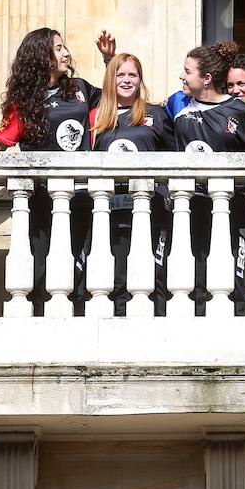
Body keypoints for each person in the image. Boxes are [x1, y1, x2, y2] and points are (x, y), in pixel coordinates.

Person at [0, 27, 107, 314]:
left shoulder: (80, 88)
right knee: (41, 264)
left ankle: (77, 322)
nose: (66, 53)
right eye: (58, 48)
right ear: (40, 56)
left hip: (81, 196)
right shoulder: (25, 102)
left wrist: (109, 60)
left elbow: (117, 101)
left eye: (64, 47)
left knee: (82, 263)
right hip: (42, 198)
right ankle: (41, 320)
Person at [173, 42, 245, 314]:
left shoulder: (240, 112)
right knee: (197, 274)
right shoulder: (177, 106)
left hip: (234, 208)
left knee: (235, 275)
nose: (182, 77)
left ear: (207, 79)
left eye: (187, 72)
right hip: (193, 207)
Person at [90, 53, 176, 315]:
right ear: (110, 78)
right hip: (113, 211)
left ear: (140, 80)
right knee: (118, 277)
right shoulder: (97, 118)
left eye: (133, 75)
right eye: (121, 74)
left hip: (154, 211)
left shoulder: (156, 114)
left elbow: (176, 160)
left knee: (156, 275)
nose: (127, 80)